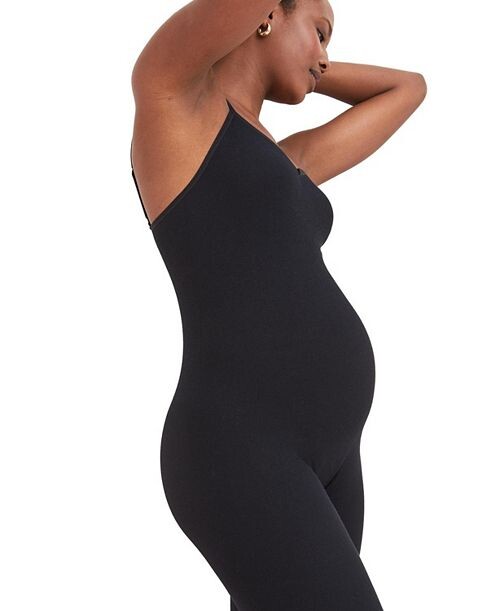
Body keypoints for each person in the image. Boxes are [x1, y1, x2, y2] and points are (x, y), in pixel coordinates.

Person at [130, 1, 426, 609]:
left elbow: (408, 88)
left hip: (331, 454)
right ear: (265, 15)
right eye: (320, 31)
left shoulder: (289, 161)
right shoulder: (173, 98)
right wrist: (288, 41)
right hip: (240, 444)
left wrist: (311, 59)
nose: (324, 55)